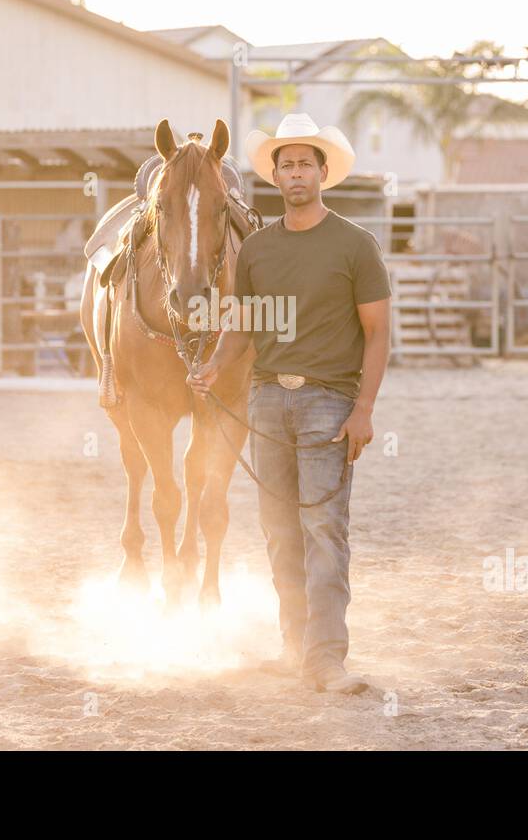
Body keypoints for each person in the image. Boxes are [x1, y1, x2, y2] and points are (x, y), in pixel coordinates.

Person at [187, 112, 392, 695]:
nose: (296, 173)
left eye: (306, 163)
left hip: (330, 402)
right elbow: (243, 325)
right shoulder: (255, 251)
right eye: (287, 164)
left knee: (324, 528)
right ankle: (293, 646)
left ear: (323, 173)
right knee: (279, 529)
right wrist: (214, 366)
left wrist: (364, 409)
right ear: (274, 176)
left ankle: (326, 659)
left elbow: (377, 333)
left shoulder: (356, 245)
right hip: (267, 400)